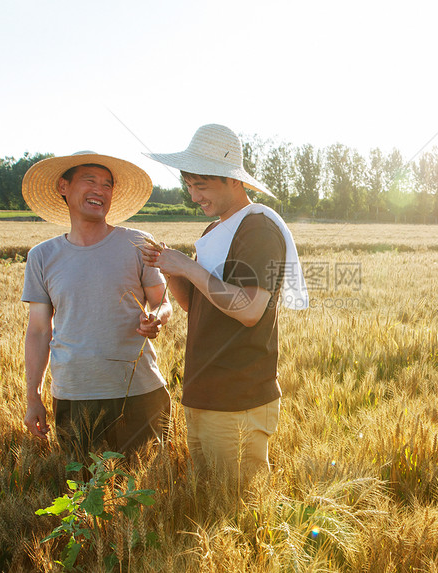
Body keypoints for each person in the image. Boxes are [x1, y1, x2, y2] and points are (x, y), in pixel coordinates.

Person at [139, 124, 309, 479]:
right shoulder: (215, 231)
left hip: (239, 396)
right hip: (203, 391)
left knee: (238, 507)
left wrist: (187, 265)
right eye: (189, 186)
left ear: (233, 180)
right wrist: (171, 269)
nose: (194, 196)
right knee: (210, 500)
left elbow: (248, 310)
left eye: (201, 186)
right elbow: (194, 305)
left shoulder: (257, 229)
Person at [20, 151, 172, 462]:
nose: (100, 190)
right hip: (74, 396)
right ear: (64, 186)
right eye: (90, 181)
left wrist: (155, 319)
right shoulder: (42, 256)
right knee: (83, 494)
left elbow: (162, 301)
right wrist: (32, 396)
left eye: (107, 184)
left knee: (145, 496)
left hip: (140, 392)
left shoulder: (138, 243)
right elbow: (38, 330)